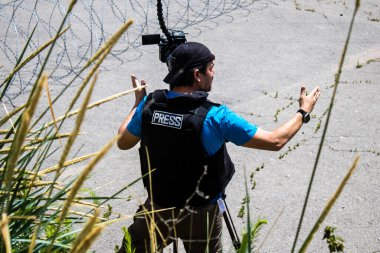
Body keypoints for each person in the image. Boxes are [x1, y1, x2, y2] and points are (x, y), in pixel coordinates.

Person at [117, 42, 320, 253]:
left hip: (157, 210)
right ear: (197, 74)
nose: (213, 73)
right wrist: (303, 111)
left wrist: (138, 103)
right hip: (201, 215)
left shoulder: (149, 106)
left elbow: (123, 142)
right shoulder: (216, 117)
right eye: (211, 67)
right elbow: (276, 140)